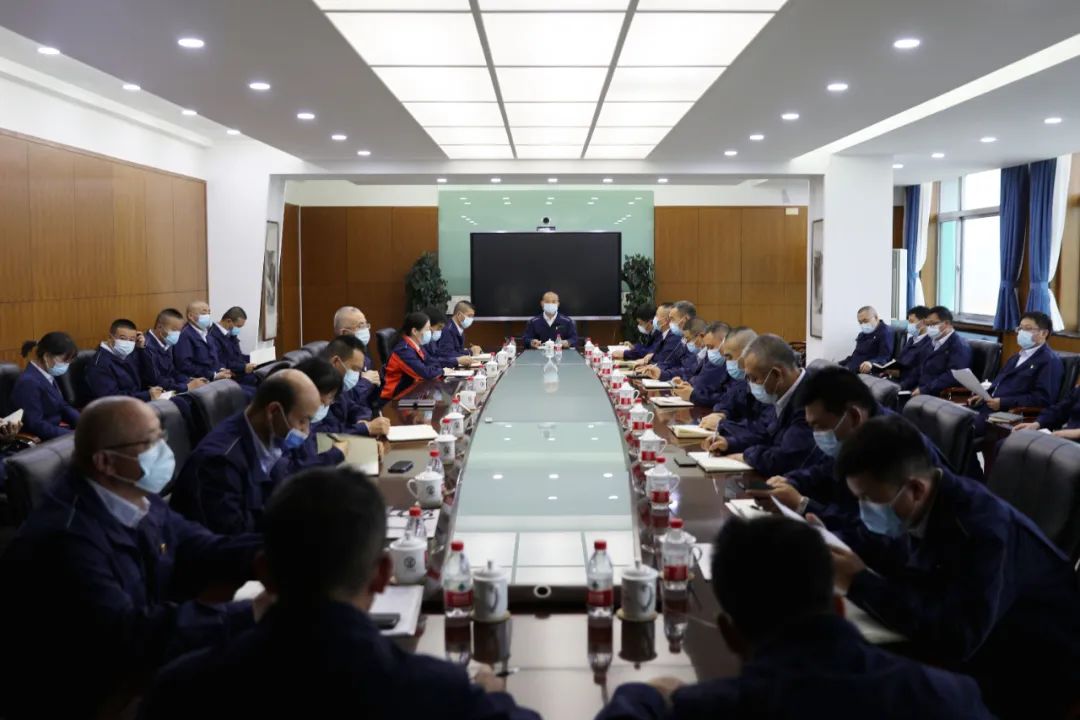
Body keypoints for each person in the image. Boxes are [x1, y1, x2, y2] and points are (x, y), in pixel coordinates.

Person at [140, 466, 541, 720]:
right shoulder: (440, 693)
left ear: (263, 572)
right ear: (382, 575)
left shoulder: (179, 690)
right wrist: (493, 695)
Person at [0, 397, 265, 719]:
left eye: (161, 436)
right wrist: (249, 612)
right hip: (84, 695)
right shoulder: (65, 539)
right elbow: (128, 635)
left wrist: (268, 554)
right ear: (105, 462)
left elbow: (197, 545)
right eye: (150, 442)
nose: (163, 449)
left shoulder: (136, 497)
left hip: (133, 668)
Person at [594, 516, 993, 720]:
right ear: (838, 608)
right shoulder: (950, 697)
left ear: (730, 633)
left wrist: (646, 695)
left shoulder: (708, 709)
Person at [832, 415, 1080, 719]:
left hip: (1030, 671)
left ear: (915, 489)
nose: (864, 510)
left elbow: (955, 638)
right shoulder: (919, 502)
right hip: (981, 646)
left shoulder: (981, 531)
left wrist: (860, 582)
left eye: (868, 500)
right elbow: (885, 551)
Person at [170, 370, 322, 535]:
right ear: (273, 411)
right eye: (302, 420)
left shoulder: (273, 435)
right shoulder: (219, 462)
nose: (306, 430)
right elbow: (235, 538)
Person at [705, 334, 819, 477]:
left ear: (777, 374)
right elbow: (764, 433)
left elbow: (785, 458)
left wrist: (747, 456)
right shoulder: (782, 393)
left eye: (754, 379)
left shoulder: (811, 401)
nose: (751, 384)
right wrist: (730, 443)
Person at [967, 311, 1062, 432]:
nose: (1021, 332)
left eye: (1028, 329)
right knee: (954, 418)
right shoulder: (1016, 357)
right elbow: (999, 382)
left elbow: (1042, 399)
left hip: (1010, 413)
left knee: (964, 429)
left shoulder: (1049, 361)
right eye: (1020, 328)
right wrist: (984, 395)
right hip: (989, 406)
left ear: (1044, 333)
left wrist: (1004, 402)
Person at [275, 358, 350, 475]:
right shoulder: (279, 424)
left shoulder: (303, 419)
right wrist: (334, 455)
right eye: (327, 397)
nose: (328, 403)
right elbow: (288, 473)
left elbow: (308, 457)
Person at [10, 332, 80, 440]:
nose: (66, 365)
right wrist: (72, 435)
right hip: (44, 439)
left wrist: (84, 422)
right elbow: (36, 424)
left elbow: (62, 406)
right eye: (64, 360)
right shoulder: (28, 382)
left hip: (58, 431)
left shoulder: (47, 374)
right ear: (47, 356)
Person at [320, 334, 391, 437]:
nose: (357, 375)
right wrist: (366, 428)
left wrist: (361, 419)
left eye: (359, 370)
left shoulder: (338, 385)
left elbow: (353, 407)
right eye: (354, 369)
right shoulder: (316, 387)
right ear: (335, 362)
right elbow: (324, 433)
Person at [698, 327, 764, 432]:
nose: (727, 362)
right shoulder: (744, 379)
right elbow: (728, 402)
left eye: (729, 357)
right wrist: (722, 414)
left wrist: (724, 425)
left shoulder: (768, 382)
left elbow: (763, 428)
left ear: (747, 353)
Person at [85, 318, 164, 402]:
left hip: (137, 401)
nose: (127, 343)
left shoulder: (130, 354)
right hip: (115, 407)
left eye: (132, 340)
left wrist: (142, 349)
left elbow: (151, 378)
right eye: (122, 338)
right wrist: (146, 395)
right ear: (110, 338)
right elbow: (111, 398)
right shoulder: (99, 364)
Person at [142, 308, 209, 393]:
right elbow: (156, 380)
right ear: (159, 327)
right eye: (174, 330)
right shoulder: (145, 346)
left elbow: (173, 372)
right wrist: (185, 387)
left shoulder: (167, 343)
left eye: (179, 330)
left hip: (171, 389)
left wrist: (189, 381)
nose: (177, 334)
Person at [380, 312, 443, 400]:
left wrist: (439, 369)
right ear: (414, 331)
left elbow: (431, 362)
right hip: (394, 398)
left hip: (411, 392)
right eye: (427, 329)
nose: (431, 332)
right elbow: (425, 373)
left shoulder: (417, 346)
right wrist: (443, 371)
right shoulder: (404, 350)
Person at [911, 306, 971, 397]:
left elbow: (953, 376)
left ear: (947, 323)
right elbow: (919, 368)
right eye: (928, 325)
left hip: (938, 394)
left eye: (933, 324)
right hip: (920, 389)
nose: (930, 328)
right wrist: (903, 386)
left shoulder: (959, 346)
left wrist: (924, 390)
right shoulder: (931, 342)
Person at [671, 321, 730, 406]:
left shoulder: (734, 366)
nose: (708, 351)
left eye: (711, 347)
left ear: (724, 342)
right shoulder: (714, 357)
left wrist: (694, 394)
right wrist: (689, 385)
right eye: (707, 347)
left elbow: (729, 400)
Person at [332, 305, 382, 402]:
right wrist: (365, 381)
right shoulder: (337, 362)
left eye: (366, 324)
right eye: (361, 326)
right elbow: (343, 402)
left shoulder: (362, 352)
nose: (366, 329)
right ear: (344, 333)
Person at [174, 300, 233, 383]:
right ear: (190, 316)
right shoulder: (185, 335)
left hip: (214, 377)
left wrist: (221, 369)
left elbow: (215, 357)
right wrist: (213, 375)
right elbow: (185, 366)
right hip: (199, 381)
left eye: (209, 313)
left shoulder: (207, 333)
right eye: (204, 313)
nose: (208, 316)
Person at [1014, 380, 1080, 440]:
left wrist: (1074, 433)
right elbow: (1059, 410)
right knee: (1016, 441)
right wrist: (1037, 424)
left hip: (1073, 443)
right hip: (1065, 441)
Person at [885, 305, 931, 390]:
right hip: (898, 379)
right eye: (908, 321)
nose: (909, 325)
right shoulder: (911, 340)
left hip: (911, 385)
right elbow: (901, 361)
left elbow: (919, 372)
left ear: (923, 322)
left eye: (912, 321)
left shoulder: (929, 343)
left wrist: (900, 383)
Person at [209, 306, 257, 386]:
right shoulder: (212, 335)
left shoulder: (230, 334)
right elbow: (221, 362)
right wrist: (243, 367)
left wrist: (253, 359)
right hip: (229, 376)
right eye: (238, 326)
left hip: (238, 372)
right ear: (228, 321)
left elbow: (237, 355)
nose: (238, 329)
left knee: (261, 377)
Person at [840, 305, 894, 374]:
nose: (863, 324)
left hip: (865, 372)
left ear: (876, 318)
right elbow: (855, 355)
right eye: (860, 322)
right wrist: (838, 364)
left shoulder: (885, 332)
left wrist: (870, 363)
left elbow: (884, 357)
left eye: (865, 321)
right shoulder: (862, 334)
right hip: (851, 368)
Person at [630, 303, 680, 368]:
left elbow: (663, 361)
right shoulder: (663, 335)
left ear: (666, 320)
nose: (654, 319)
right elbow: (653, 353)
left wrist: (648, 364)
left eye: (656, 315)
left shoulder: (673, 338)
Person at [422, 305, 472, 369]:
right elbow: (431, 362)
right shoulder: (421, 342)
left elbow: (439, 356)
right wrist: (457, 360)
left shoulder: (430, 341)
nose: (440, 331)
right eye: (439, 327)